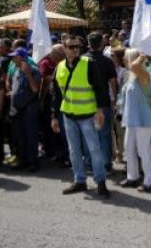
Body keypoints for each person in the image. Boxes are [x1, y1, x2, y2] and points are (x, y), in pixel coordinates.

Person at [52, 36, 110, 198]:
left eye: (78, 46)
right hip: (68, 115)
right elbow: (56, 94)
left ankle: (101, 182)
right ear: (64, 48)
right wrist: (54, 116)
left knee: (94, 149)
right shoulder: (59, 67)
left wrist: (100, 110)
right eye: (71, 47)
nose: (76, 50)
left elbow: (99, 88)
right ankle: (79, 181)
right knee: (74, 150)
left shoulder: (89, 63)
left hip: (87, 115)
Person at [118, 49, 151, 192]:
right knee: (128, 149)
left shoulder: (145, 74)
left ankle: (150, 181)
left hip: (143, 119)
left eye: (126, 57)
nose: (123, 60)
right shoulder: (130, 75)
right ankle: (132, 177)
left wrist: (141, 56)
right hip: (131, 119)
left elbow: (134, 66)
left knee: (144, 150)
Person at [87, 32, 118, 173]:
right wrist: (115, 100)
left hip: (85, 103)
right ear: (102, 44)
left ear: (89, 44)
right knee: (105, 134)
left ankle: (91, 163)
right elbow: (113, 82)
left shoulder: (82, 60)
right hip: (103, 102)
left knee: (89, 134)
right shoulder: (107, 61)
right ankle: (106, 164)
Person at [8, 47, 41, 172]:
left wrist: (27, 73)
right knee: (20, 136)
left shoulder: (33, 70)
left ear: (22, 57)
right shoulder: (16, 70)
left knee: (31, 136)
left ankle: (33, 162)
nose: (13, 59)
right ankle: (23, 160)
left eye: (15, 57)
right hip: (18, 108)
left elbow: (35, 89)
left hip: (29, 107)